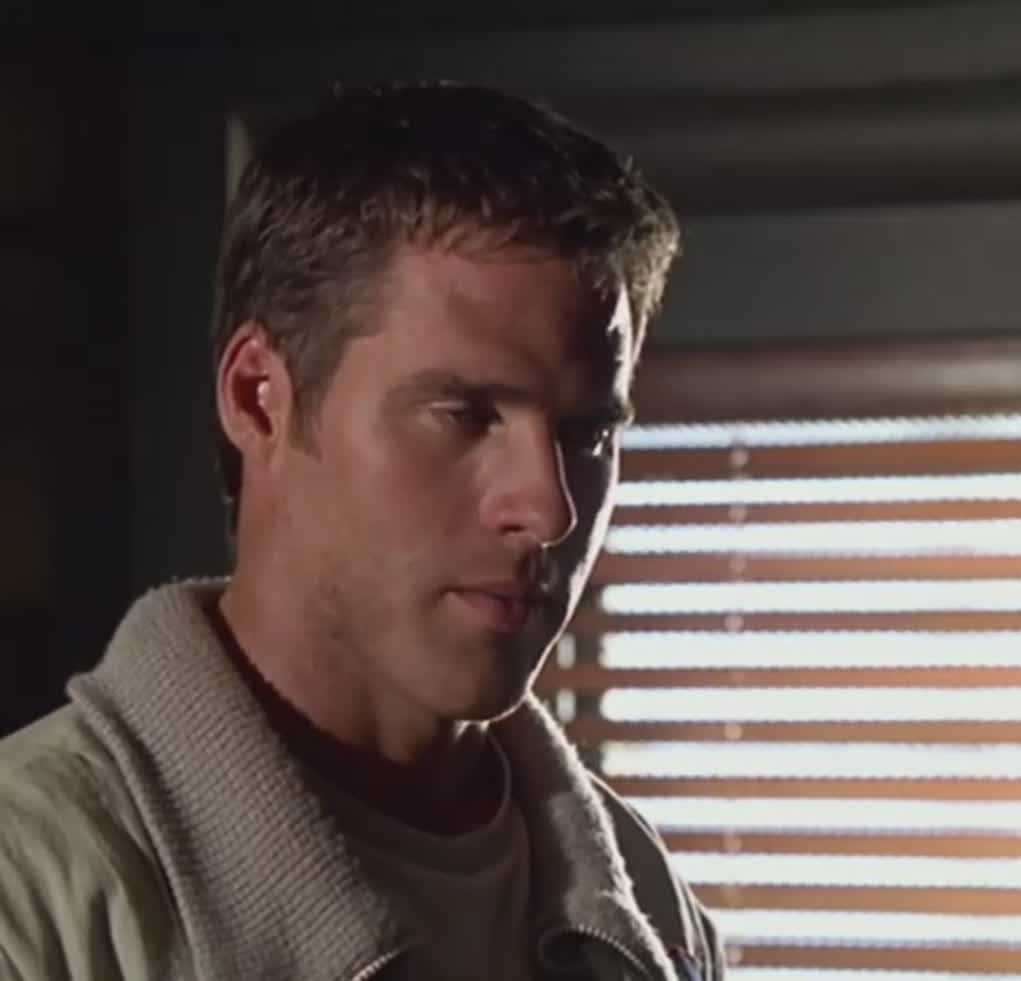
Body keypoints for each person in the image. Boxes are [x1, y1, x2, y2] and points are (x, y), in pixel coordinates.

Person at [0, 81, 723, 981]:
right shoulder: (32, 894)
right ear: (258, 398)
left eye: (587, 433)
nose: (548, 508)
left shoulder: (647, 909)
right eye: (464, 413)